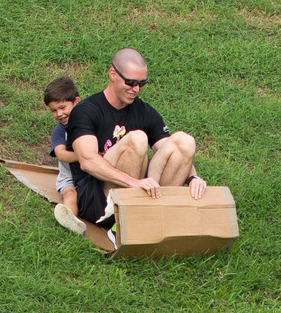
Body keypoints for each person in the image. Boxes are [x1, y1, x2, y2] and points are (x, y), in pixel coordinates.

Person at [60, 48, 205, 235]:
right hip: (97, 199)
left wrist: (193, 177)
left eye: (141, 84)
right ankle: (123, 220)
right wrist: (134, 183)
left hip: (137, 192)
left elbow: (170, 149)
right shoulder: (85, 111)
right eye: (130, 82)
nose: (136, 89)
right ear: (112, 74)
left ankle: (156, 213)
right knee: (138, 138)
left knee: (184, 141)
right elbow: (87, 161)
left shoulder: (144, 111)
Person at [43, 77, 85, 234]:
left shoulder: (88, 122)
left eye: (62, 107)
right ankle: (71, 221)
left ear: (76, 102)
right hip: (69, 177)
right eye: (53, 110)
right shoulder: (59, 131)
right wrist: (86, 156)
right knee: (70, 193)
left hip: (90, 175)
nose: (59, 114)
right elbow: (61, 154)